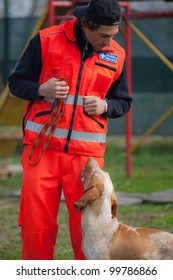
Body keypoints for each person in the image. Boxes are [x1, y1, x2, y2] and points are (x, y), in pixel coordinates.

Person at [8, 0, 132, 260]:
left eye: (113, 35)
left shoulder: (117, 55)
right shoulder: (45, 41)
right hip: (41, 153)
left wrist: (106, 105)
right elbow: (16, 83)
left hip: (87, 161)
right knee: (36, 226)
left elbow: (124, 102)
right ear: (86, 24)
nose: (108, 42)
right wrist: (41, 89)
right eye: (104, 36)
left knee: (89, 230)